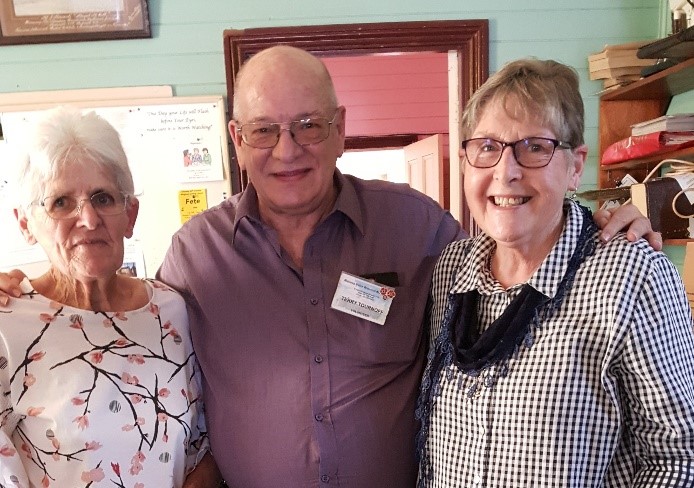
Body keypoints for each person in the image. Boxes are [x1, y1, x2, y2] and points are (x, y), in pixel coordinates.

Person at [0, 47, 660, 487]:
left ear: (341, 128)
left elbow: (513, 242)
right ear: (237, 140)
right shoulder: (194, 257)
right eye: (263, 130)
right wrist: (28, 281)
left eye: (308, 126)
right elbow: (116, 320)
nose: (287, 150)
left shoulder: (419, 228)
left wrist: (598, 224)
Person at [415, 58, 694, 487]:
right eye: (487, 147)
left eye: (535, 147)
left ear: (576, 165)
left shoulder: (633, 277)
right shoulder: (450, 271)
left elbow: (677, 457)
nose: (505, 171)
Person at [0, 106, 221, 487]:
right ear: (26, 223)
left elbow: (201, 447)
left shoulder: (172, 310)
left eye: (103, 198)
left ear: (130, 214)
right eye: (61, 202)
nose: (88, 219)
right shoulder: (8, 324)